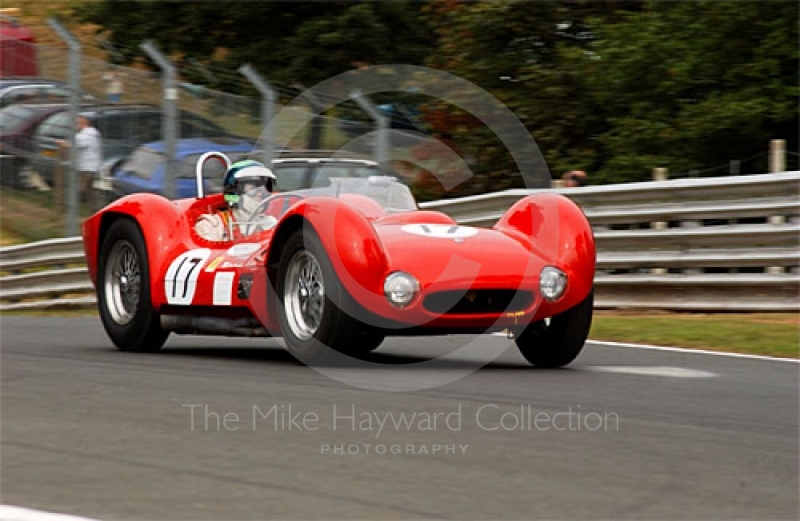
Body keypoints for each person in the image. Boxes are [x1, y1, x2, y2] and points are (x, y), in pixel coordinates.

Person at [195, 159, 278, 241]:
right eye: (253, 188)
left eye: (263, 189)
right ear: (233, 191)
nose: (260, 193)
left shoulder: (270, 223)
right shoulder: (211, 226)